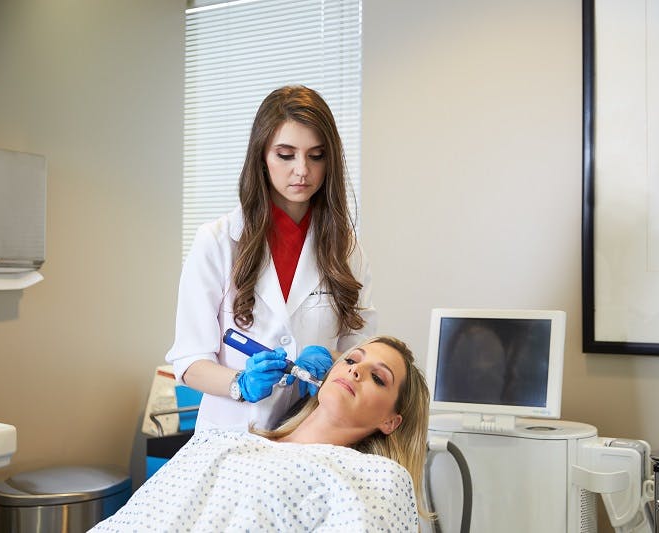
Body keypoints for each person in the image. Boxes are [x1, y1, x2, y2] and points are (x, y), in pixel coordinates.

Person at [166, 85, 377, 431]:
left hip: (313, 434)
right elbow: (190, 360)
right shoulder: (218, 242)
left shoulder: (347, 251)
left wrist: (332, 359)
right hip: (232, 435)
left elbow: (364, 357)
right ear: (262, 156)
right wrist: (240, 383)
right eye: (286, 155)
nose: (302, 170)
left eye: (316, 155)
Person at [91, 337, 431, 532]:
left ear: (391, 422)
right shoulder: (225, 441)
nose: (356, 370)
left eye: (378, 378)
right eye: (352, 360)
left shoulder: (376, 477)